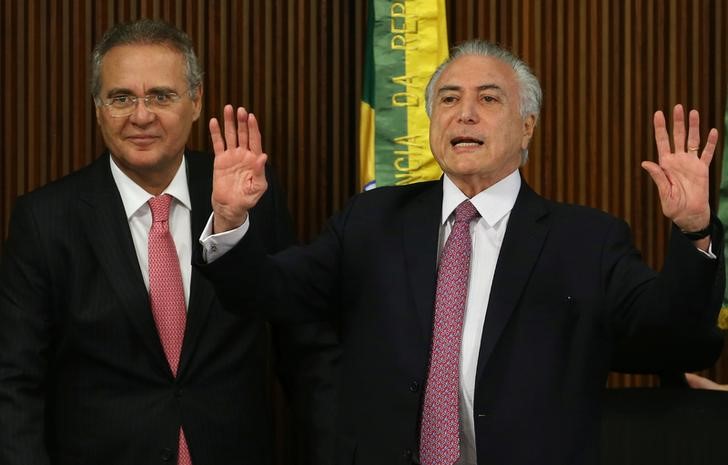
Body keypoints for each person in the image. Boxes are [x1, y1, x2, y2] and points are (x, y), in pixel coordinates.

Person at [196, 40, 724, 465]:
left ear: (527, 126)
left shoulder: (587, 240)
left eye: (489, 99)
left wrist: (694, 230)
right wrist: (232, 223)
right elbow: (269, 293)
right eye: (448, 99)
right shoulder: (371, 220)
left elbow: (677, 339)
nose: (464, 114)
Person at [0, 18, 338, 465]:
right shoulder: (44, 220)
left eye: (161, 96)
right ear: (98, 107)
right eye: (121, 98)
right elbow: (14, 381)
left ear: (196, 102)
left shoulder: (251, 193)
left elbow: (303, 348)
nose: (141, 115)